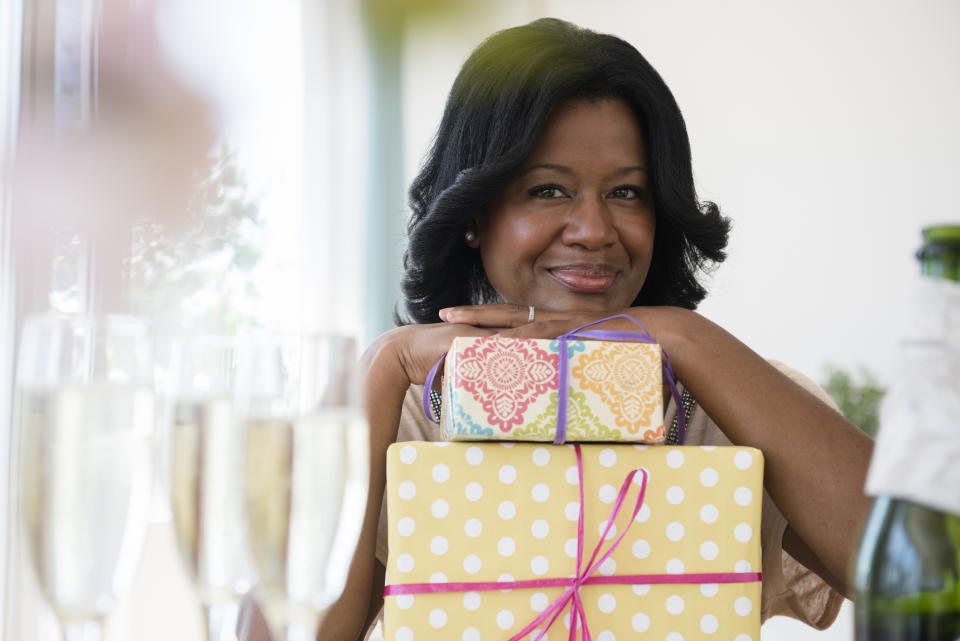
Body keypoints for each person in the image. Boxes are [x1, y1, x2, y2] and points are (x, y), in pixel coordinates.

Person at [317, 17, 872, 640]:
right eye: (548, 189)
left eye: (628, 193)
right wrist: (383, 367)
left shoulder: (742, 402)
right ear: (474, 212)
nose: (593, 230)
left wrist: (688, 338)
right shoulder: (404, 416)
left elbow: (923, 580)